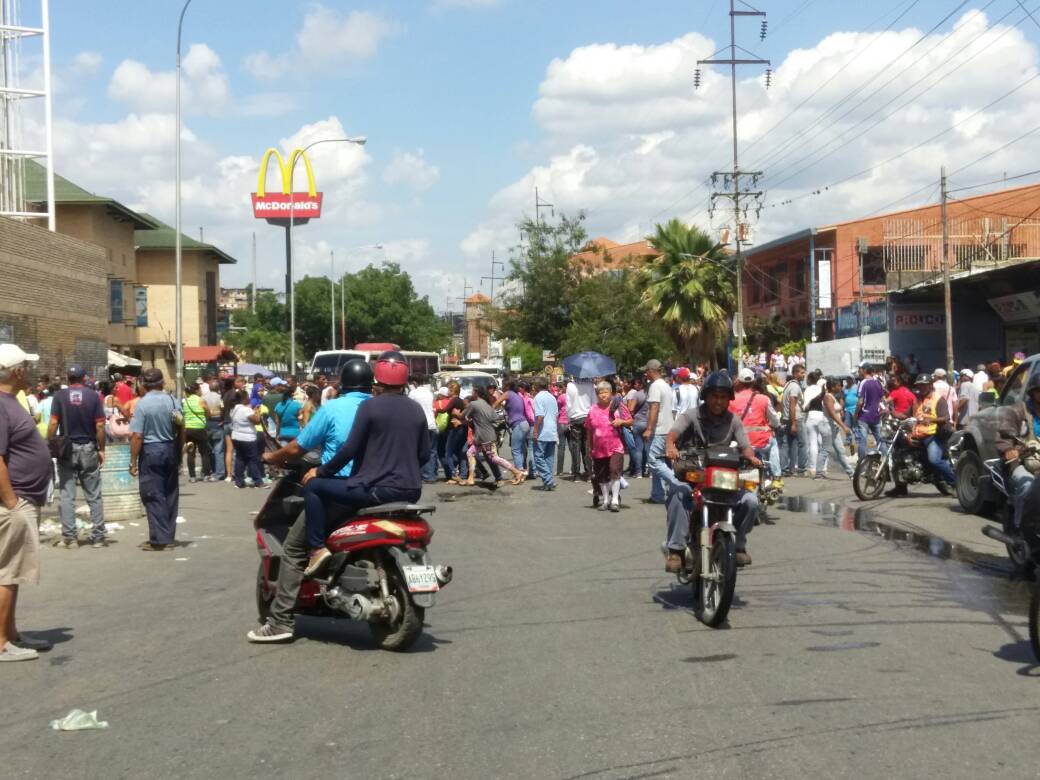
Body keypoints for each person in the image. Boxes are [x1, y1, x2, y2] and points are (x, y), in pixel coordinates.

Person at [250, 360, 374, 643]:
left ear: (342, 384)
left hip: (338, 490)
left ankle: (281, 621)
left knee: (294, 547)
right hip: (378, 488)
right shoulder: (377, 408)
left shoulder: (333, 408)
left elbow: (298, 447)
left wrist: (272, 457)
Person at [297, 351, 428, 580]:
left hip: (376, 490)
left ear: (377, 380)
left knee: (314, 487)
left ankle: (317, 549)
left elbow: (349, 450)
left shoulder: (370, 408)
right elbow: (425, 454)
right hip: (411, 491)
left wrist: (320, 471)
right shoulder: (415, 409)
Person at [664, 371, 761, 571]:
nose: (718, 401)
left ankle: (739, 544)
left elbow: (745, 445)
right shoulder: (691, 415)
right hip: (694, 473)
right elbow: (673, 434)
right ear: (706, 396)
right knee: (677, 492)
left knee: (750, 501)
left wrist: (751, 457)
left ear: (729, 399)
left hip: (722, 478)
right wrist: (671, 447)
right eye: (714, 396)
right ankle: (676, 550)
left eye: (723, 397)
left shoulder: (733, 420)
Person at [0, 345, 53, 661]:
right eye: (26, 366)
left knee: (14, 571)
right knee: (6, 572)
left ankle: (12, 634)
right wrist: (12, 502)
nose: (30, 371)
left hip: (21, 499)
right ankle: (1, 643)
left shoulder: (10, 402)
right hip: (13, 503)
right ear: (16, 371)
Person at [48, 365, 106, 549]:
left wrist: (50, 443)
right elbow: (99, 426)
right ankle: (98, 537)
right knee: (94, 494)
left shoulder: (59, 396)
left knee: (66, 494)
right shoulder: (93, 396)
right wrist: (102, 448)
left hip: (67, 448)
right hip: (88, 447)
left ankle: (70, 538)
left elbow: (53, 423)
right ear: (84, 378)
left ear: (68, 378)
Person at [128, 368, 183, 551]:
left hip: (151, 452)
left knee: (153, 495)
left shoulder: (142, 405)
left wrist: (133, 461)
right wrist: (179, 451)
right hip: (170, 448)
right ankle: (167, 536)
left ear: (143, 385)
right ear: (162, 383)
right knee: (170, 494)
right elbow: (182, 428)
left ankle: (161, 540)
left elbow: (137, 436)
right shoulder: (172, 401)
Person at [889, 374, 955, 496]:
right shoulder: (917, 400)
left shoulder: (938, 399)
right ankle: (901, 488)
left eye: (924, 385)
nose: (922, 388)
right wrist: (890, 413)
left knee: (934, 460)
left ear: (930, 385)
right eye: (920, 385)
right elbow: (906, 415)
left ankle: (956, 483)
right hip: (918, 435)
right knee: (899, 455)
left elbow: (945, 418)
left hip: (933, 435)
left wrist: (932, 420)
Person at [995, 370, 1040, 537]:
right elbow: (1004, 445)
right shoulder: (1016, 412)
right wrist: (1019, 450)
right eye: (1039, 390)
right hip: (1022, 463)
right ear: (1033, 392)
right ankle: (1023, 531)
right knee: (1027, 486)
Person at [585, 380, 632, 511]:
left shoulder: (618, 406)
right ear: (596, 394)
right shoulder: (592, 410)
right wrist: (590, 447)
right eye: (600, 393)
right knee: (601, 475)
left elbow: (630, 421)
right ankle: (605, 500)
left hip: (616, 446)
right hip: (598, 448)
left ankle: (615, 500)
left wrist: (621, 421)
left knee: (614, 471)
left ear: (611, 393)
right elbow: (589, 429)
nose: (603, 395)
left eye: (606, 392)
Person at [466, 385, 525, 485]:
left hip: (485, 437)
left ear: (476, 393)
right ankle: (470, 478)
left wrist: (474, 419)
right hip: (481, 437)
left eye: (472, 391)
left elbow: (464, 416)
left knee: (494, 458)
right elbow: (495, 418)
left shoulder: (474, 404)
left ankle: (517, 472)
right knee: (470, 453)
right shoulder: (487, 405)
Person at [731, 368, 780, 483]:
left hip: (741, 442)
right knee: (773, 442)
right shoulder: (764, 399)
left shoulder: (731, 400)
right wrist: (773, 426)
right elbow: (775, 421)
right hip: (762, 441)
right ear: (753, 382)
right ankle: (777, 476)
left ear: (738, 382)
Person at [643, 359, 676, 504]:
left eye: (646, 371)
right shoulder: (666, 385)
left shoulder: (655, 386)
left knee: (654, 461)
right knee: (662, 461)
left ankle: (677, 482)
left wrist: (649, 428)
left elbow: (654, 408)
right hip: (668, 428)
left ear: (651, 371)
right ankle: (658, 494)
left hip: (659, 429)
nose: (645, 373)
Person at [229, 391, 265, 489]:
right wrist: (257, 412)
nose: (249, 398)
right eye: (247, 396)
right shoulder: (246, 410)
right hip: (247, 438)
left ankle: (239, 482)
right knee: (252, 460)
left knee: (240, 459)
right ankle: (258, 482)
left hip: (236, 436)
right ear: (244, 398)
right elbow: (257, 421)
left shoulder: (233, 409)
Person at [495, 380, 530, 482]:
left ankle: (519, 473)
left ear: (508, 386)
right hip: (524, 424)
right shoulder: (517, 395)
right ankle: (522, 471)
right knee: (521, 449)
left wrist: (488, 411)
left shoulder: (508, 393)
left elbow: (497, 402)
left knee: (515, 450)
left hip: (518, 424)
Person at [408, 375, 439, 484]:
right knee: (433, 451)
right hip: (432, 424)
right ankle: (433, 474)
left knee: (421, 451)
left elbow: (408, 407)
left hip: (421, 425)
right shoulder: (429, 392)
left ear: (415, 383)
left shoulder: (413, 394)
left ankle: (424, 475)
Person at [530, 376, 559, 491]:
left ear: (536, 386)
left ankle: (548, 480)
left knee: (538, 458)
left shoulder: (538, 397)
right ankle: (547, 482)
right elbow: (556, 414)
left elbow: (540, 416)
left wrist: (536, 431)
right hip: (552, 431)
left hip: (543, 431)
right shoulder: (552, 397)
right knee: (548, 458)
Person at [824, 377, 855, 478]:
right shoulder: (828, 397)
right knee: (825, 450)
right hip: (828, 427)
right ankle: (819, 471)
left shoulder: (833, 396)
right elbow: (832, 414)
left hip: (834, 427)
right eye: (838, 385)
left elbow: (837, 411)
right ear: (833, 387)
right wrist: (844, 426)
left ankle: (851, 472)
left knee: (840, 450)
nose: (840, 387)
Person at [181, 382, 213, 483]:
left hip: (188, 429)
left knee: (191, 453)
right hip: (199, 428)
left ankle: (192, 476)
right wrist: (205, 417)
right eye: (199, 389)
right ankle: (206, 475)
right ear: (196, 391)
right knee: (204, 452)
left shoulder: (185, 401)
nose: (201, 391)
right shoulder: (201, 400)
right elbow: (208, 413)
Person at [802, 371, 831, 479]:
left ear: (809, 380)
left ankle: (813, 469)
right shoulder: (821, 389)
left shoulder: (807, 389)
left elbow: (805, 406)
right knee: (823, 443)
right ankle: (823, 468)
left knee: (813, 444)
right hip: (821, 415)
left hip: (811, 416)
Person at [565, 377, 595, 480]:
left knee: (575, 446)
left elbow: (568, 404)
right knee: (587, 446)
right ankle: (589, 472)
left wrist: (569, 418)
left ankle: (576, 473)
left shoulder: (570, 385)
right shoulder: (591, 384)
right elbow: (594, 402)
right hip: (588, 417)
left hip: (575, 417)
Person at [779, 363, 806, 476]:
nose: (804, 375)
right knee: (802, 443)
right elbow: (792, 404)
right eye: (801, 372)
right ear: (795, 373)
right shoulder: (794, 386)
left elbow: (782, 402)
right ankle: (801, 469)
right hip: (795, 418)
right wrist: (794, 423)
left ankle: (787, 469)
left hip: (786, 418)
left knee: (788, 444)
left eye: (804, 372)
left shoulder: (788, 385)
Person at [855, 361, 886, 459]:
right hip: (876, 416)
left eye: (860, 369)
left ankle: (861, 463)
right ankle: (885, 460)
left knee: (863, 440)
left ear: (864, 370)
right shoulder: (878, 383)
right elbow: (882, 400)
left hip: (864, 416)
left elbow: (860, 402)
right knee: (880, 440)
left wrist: (856, 415)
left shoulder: (863, 382)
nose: (859, 371)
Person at [441, 382, 468, 484]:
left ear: (452, 391)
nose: (448, 392)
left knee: (448, 453)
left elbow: (444, 410)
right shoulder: (461, 401)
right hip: (462, 428)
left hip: (454, 429)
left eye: (449, 390)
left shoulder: (454, 400)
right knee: (461, 452)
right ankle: (463, 475)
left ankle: (453, 474)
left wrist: (435, 409)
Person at [203, 378, 226, 480]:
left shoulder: (203, 397)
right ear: (218, 388)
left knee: (209, 449)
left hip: (207, 424)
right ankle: (219, 472)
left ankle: (212, 469)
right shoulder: (220, 397)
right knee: (219, 450)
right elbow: (223, 409)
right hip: (217, 423)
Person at [626, 377, 649, 478]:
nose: (635, 386)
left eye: (636, 384)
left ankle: (639, 472)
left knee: (638, 448)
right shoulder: (650, 394)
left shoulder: (637, 394)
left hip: (638, 422)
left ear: (640, 385)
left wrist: (632, 412)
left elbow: (630, 409)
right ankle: (648, 470)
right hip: (648, 423)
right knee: (647, 448)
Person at [555, 379, 569, 476]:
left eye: (562, 387)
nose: (560, 388)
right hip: (571, 423)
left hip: (561, 422)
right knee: (573, 448)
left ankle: (559, 470)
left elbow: (557, 409)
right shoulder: (573, 397)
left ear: (565, 387)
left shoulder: (561, 397)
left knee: (561, 447)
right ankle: (574, 469)